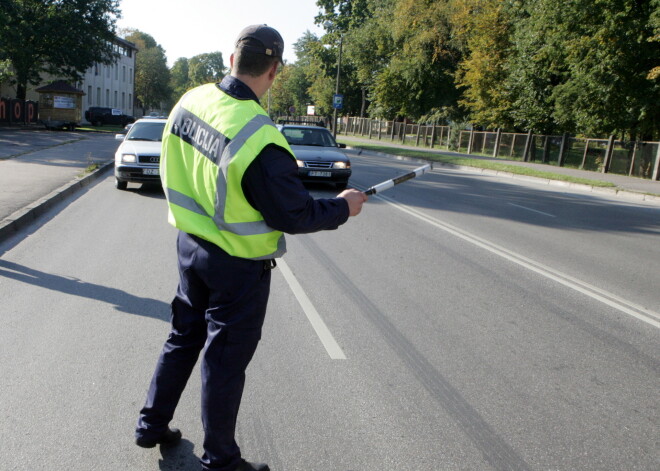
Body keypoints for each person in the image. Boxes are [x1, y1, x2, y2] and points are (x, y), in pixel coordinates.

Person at [134, 24, 367, 471]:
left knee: (182, 338)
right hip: (237, 267)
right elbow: (294, 214)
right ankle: (220, 460)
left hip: (189, 246)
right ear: (275, 71)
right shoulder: (260, 137)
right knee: (223, 363)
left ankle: (151, 425)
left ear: (231, 60)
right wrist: (343, 207)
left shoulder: (190, 101)